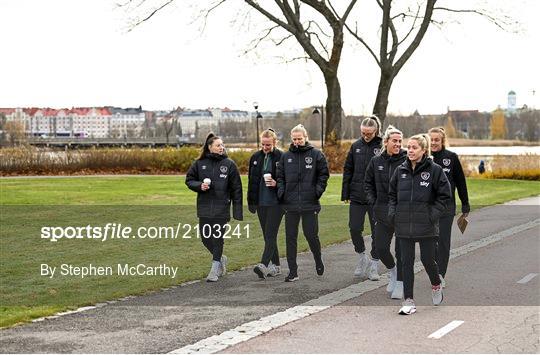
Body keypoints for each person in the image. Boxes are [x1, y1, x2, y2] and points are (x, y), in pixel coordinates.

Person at [388, 134, 451, 315]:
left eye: (415, 147)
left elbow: (444, 196)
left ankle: (436, 283)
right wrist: (393, 214)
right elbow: (391, 195)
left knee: (427, 260)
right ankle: (408, 300)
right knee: (406, 262)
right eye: (409, 147)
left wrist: (432, 215)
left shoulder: (435, 170)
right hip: (403, 225)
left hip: (426, 226)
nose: (410, 151)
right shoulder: (400, 171)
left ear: (424, 150)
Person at [185, 132, 243, 282]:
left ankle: (214, 269)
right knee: (205, 239)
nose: (221, 147)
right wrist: (200, 186)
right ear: (209, 147)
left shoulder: (229, 164)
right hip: (204, 208)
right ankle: (220, 258)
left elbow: (237, 188)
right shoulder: (199, 163)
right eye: (218, 145)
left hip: (221, 209)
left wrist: (237, 211)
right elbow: (189, 180)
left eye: (222, 145)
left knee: (217, 239)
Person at [277, 124, 329, 282]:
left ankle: (318, 260)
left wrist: (317, 191)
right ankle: (293, 271)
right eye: (294, 139)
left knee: (311, 235)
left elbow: (323, 175)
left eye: (299, 139)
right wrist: (282, 193)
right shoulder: (286, 157)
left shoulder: (316, 155)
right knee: (290, 238)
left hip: (309, 204)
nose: (297, 141)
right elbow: (280, 177)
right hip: (290, 204)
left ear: (305, 138)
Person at [364, 125, 407, 299]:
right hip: (381, 213)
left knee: (401, 251)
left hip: (403, 213)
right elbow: (367, 184)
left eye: (400, 141)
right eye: (394, 141)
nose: (398, 144)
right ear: (386, 141)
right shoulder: (376, 161)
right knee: (381, 248)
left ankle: (400, 283)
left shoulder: (407, 161)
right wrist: (373, 202)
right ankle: (393, 271)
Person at [341, 115, 383, 280]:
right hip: (357, 196)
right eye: (363, 133)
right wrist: (345, 193)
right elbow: (348, 170)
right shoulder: (355, 146)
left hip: (376, 198)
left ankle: (374, 264)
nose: (366, 136)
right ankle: (362, 257)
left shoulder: (381, 146)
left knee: (377, 232)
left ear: (376, 131)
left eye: (369, 134)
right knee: (354, 228)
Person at [429, 127, 470, 287]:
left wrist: (465, 204)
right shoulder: (424, 157)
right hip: (428, 207)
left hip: (447, 207)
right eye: (431, 140)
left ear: (442, 141)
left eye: (436, 140)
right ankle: (433, 269)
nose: (433, 143)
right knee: (431, 241)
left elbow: (460, 182)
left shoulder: (451, 158)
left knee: (443, 240)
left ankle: (440, 274)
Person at [247, 129, 284, 279]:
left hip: (276, 202)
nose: (265, 147)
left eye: (268, 144)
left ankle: (263, 264)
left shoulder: (282, 157)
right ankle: (276, 266)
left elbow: (288, 179)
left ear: (275, 142)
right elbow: (251, 181)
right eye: (263, 144)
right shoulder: (255, 157)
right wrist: (251, 202)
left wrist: (276, 183)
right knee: (268, 236)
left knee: (270, 234)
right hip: (261, 202)